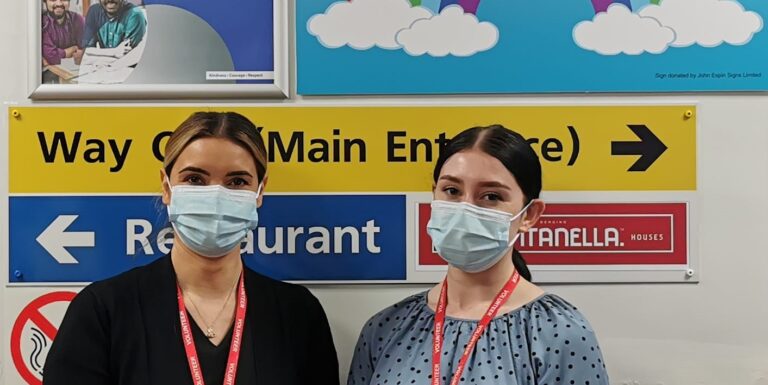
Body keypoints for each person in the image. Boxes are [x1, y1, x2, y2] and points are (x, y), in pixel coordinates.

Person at [44, 112, 340, 385]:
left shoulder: (298, 314)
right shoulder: (103, 310)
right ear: (166, 186)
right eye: (195, 179)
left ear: (260, 192)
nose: (215, 195)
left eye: (237, 181)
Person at [347, 125, 609, 385]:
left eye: (491, 196)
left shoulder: (559, 333)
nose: (465, 208)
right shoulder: (386, 328)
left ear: (529, 215)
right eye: (452, 191)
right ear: (433, 195)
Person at [42, 0, 85, 65]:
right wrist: (71, 50)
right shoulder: (41, 23)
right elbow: (51, 57)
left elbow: (87, 51)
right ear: (45, 1)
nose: (59, 4)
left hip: (74, 70)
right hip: (50, 72)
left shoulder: (78, 19)